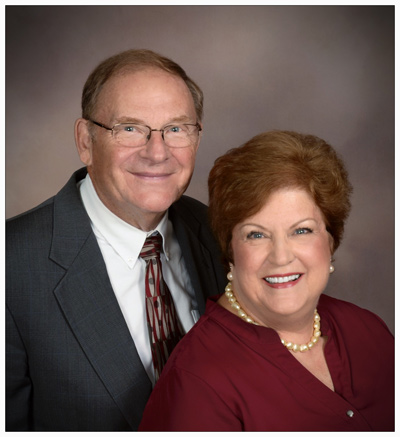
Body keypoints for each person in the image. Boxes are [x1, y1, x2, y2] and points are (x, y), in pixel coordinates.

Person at [6, 49, 226, 431]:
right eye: (130, 129)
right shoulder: (12, 266)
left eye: (176, 129)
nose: (157, 152)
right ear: (86, 141)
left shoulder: (221, 233)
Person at [139, 130, 394, 431]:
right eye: (256, 235)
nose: (281, 257)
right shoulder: (196, 383)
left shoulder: (368, 330)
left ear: (330, 239)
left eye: (302, 230)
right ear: (230, 250)